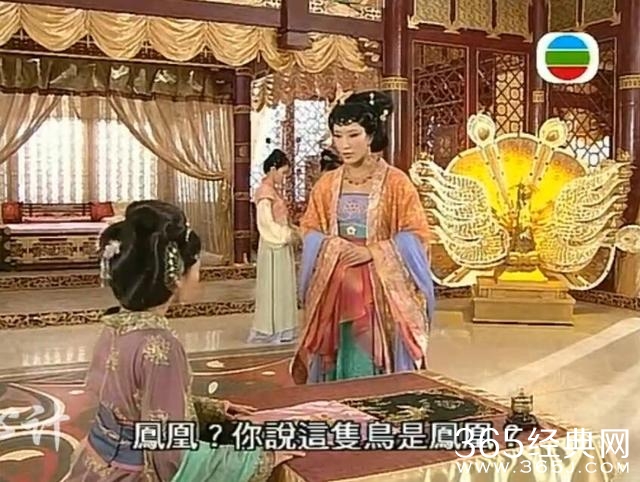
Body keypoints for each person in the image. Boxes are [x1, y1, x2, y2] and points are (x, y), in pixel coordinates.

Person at [66, 200, 302, 481]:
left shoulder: (115, 325)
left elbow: (134, 407)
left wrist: (212, 409)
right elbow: (172, 453)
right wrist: (260, 459)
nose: (199, 277)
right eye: (197, 267)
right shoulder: (160, 346)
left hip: (97, 464)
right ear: (176, 276)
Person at [291, 91, 436, 384]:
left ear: (370, 136)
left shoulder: (396, 182)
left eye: (353, 135)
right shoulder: (327, 184)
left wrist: (373, 251)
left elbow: (417, 234)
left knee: (369, 347)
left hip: (379, 281)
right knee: (337, 345)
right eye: (338, 136)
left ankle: (373, 395)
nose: (344, 145)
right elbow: (310, 229)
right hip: (336, 276)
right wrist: (332, 245)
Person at [249, 149, 298, 343]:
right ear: (272, 169)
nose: (283, 178)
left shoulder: (274, 192)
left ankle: (283, 327)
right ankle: (271, 328)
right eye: (283, 172)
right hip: (273, 243)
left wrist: (293, 230)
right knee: (274, 287)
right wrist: (285, 235)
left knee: (282, 286)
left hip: (281, 242)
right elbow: (265, 223)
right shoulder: (265, 193)